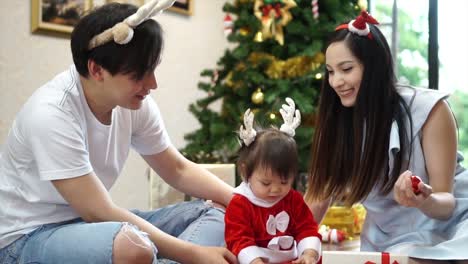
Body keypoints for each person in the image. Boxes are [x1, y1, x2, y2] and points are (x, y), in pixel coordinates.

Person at [0, 1, 237, 263]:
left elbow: (177, 169)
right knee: (133, 247)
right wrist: (194, 253)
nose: (152, 84)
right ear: (97, 69)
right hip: (26, 238)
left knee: (224, 212)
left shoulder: (134, 103)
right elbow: (99, 212)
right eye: (139, 74)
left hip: (87, 226)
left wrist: (245, 204)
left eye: (152, 70)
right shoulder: (51, 113)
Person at [305, 10, 468, 264]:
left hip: (453, 231)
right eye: (330, 71)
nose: (336, 81)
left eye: (346, 69)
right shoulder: (338, 123)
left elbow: (446, 204)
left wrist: (423, 199)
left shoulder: (429, 111)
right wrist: (278, 239)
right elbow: (316, 200)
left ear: (374, 68)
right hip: (387, 241)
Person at [225, 98, 322, 264]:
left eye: (284, 182)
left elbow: (307, 227)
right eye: (266, 183)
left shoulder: (292, 199)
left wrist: (309, 253)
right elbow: (238, 239)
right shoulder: (241, 204)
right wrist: (254, 261)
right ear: (245, 171)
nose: (276, 190)